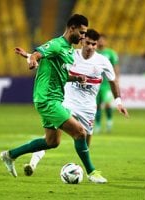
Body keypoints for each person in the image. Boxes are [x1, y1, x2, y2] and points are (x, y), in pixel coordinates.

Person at [0, 14, 108, 183]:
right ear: (72, 28)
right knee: (80, 132)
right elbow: (39, 53)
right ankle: (92, 172)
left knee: (52, 141)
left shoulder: (70, 50)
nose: (83, 37)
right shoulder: (57, 44)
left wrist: (76, 78)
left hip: (55, 99)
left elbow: (60, 74)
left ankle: (10, 155)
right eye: (81, 32)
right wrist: (32, 59)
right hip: (47, 99)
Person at [14, 29, 129, 177]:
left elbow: (113, 80)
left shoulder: (103, 61)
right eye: (88, 43)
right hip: (67, 102)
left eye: (94, 44)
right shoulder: (71, 55)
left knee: (85, 142)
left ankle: (78, 168)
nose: (91, 47)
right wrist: (30, 56)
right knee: (52, 137)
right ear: (81, 41)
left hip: (88, 107)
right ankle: (33, 163)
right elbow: (50, 59)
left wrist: (118, 101)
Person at [94, 34, 120, 133]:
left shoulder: (110, 53)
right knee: (97, 105)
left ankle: (109, 122)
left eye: (102, 40)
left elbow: (116, 66)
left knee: (108, 104)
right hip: (96, 84)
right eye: (99, 40)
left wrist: (116, 79)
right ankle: (98, 125)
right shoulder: (93, 53)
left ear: (105, 41)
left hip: (107, 84)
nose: (100, 42)